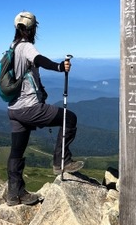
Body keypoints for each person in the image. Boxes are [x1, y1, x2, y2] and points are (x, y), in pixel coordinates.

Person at [5, 11, 84, 206]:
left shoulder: (12, 47)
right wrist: (59, 67)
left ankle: (15, 194)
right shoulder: (26, 47)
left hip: (14, 109)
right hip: (30, 108)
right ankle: (61, 161)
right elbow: (39, 59)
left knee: (17, 151)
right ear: (32, 28)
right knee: (69, 118)